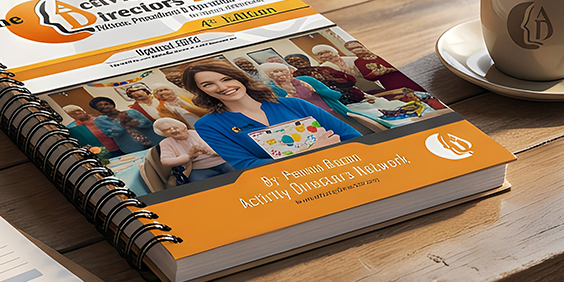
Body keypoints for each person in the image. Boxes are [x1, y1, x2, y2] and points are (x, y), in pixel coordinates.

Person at [184, 60, 360, 171]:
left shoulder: (295, 104)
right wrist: (309, 151)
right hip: (288, 185)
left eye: (226, 79)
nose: (222, 87)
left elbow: (352, 138)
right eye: (208, 85)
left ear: (239, 78)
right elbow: (246, 166)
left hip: (341, 167)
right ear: (200, 91)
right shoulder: (208, 125)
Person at [154, 117, 232, 183]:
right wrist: (189, 156)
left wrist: (210, 150)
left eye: (175, 127)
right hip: (198, 169)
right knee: (200, 186)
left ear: (184, 127)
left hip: (223, 161)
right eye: (167, 130)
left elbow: (224, 145)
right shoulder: (166, 143)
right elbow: (165, 161)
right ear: (164, 134)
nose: (173, 130)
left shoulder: (199, 132)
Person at [88, 96, 162, 150]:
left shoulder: (131, 112)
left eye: (106, 104)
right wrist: (119, 122)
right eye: (99, 106)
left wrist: (137, 123)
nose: (103, 107)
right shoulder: (100, 120)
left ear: (112, 105)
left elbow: (148, 123)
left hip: (155, 141)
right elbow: (111, 134)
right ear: (98, 110)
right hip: (133, 147)